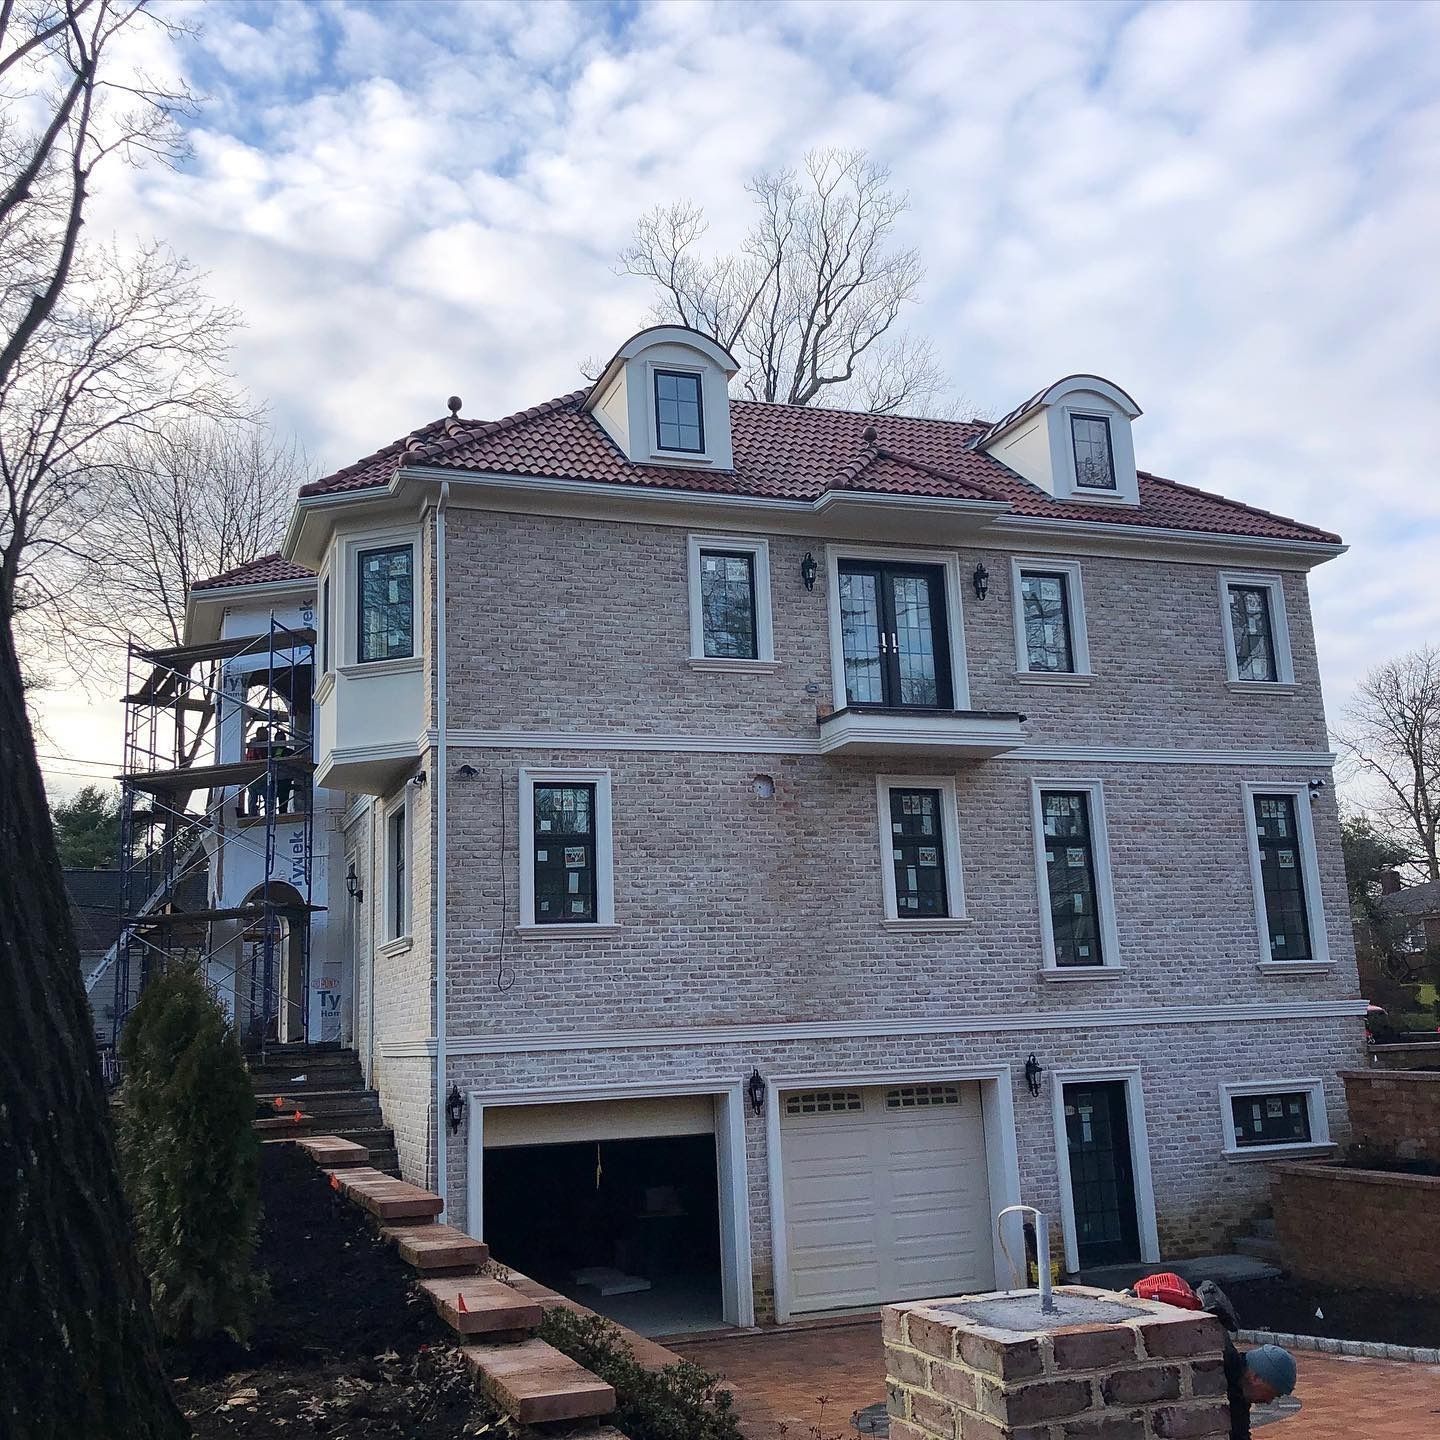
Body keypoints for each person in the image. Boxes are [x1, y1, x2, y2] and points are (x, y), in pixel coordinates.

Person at [1223, 1340, 1296, 1438]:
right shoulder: (1218, 1365)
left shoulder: (1241, 1393)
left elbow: (1240, 1434)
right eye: (1271, 1394)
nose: (1269, 1401)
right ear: (1256, 1378)